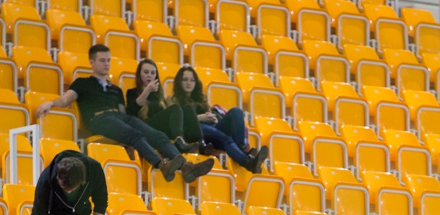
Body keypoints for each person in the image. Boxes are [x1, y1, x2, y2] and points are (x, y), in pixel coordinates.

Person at [35, 44, 214, 184]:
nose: (106, 64)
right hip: (99, 118)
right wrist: (50, 102)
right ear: (92, 62)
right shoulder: (82, 83)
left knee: (157, 135)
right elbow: (66, 100)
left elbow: (124, 115)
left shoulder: (116, 89)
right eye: (102, 60)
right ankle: (162, 164)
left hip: (120, 117)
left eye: (108, 60)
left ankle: (186, 167)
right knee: (133, 134)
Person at [170, 65, 268, 174]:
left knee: (236, 111)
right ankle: (248, 162)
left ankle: (243, 149)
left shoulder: (201, 99)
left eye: (192, 80)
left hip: (211, 127)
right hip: (196, 131)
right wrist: (201, 117)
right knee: (227, 139)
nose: (189, 83)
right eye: (185, 79)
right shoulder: (173, 99)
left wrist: (213, 118)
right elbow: (175, 121)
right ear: (179, 82)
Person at [125, 59, 203, 154]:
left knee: (187, 109)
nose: (149, 75)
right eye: (146, 72)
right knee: (175, 107)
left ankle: (201, 143)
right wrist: (147, 90)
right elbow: (131, 111)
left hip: (159, 130)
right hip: (144, 128)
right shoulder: (132, 92)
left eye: (153, 73)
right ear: (139, 74)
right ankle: (179, 141)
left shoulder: (158, 95)